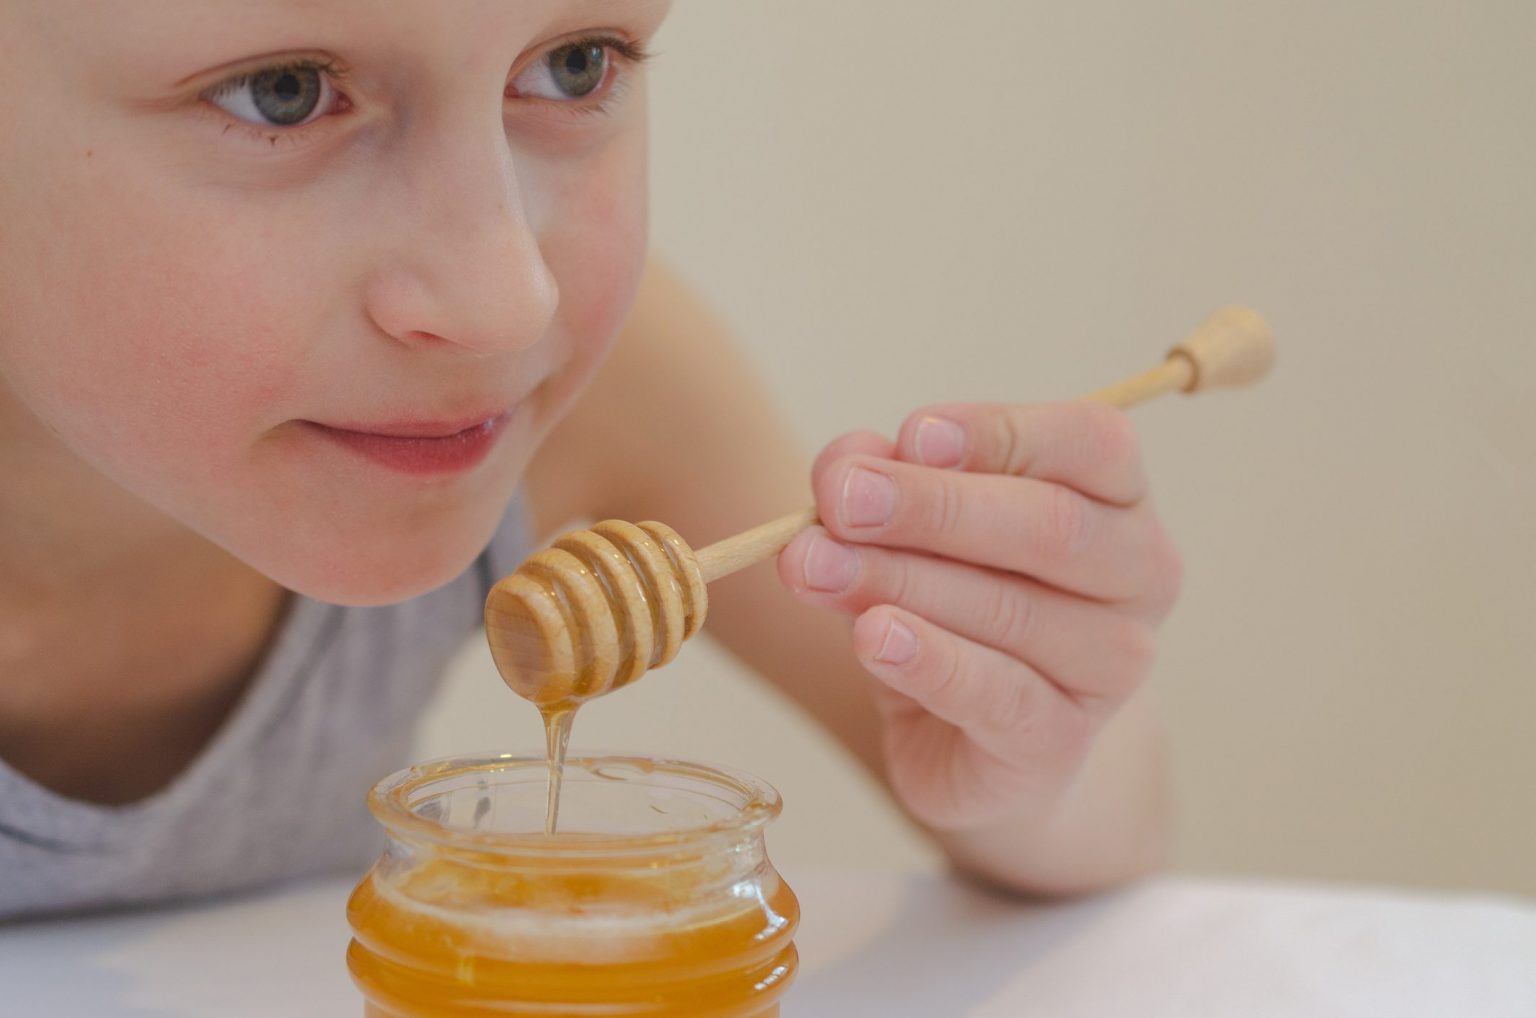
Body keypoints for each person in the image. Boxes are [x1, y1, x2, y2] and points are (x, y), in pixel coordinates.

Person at [0, 0, 1180, 921]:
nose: (506, 298)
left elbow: (1106, 825)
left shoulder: (594, 402)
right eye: (284, 93)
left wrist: (1025, 729)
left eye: (577, 63)